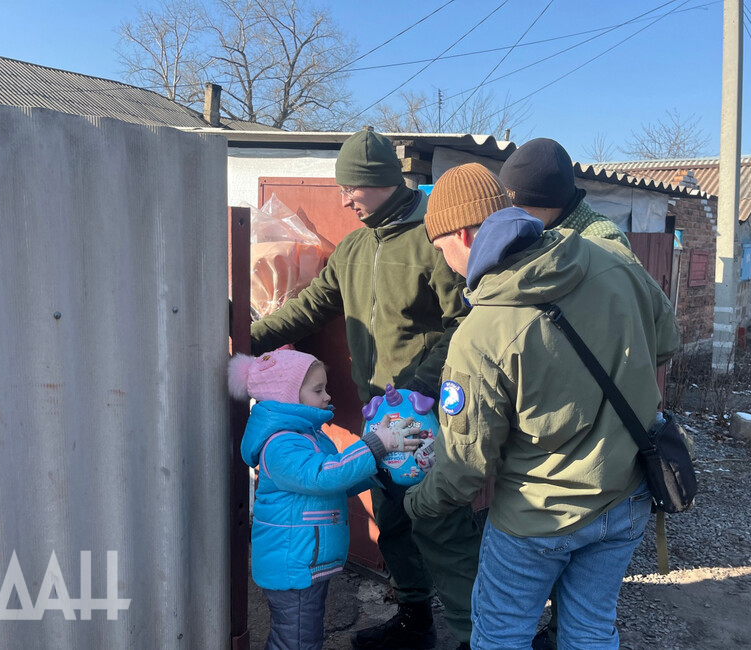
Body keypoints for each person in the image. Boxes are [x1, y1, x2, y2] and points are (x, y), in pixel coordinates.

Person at [405, 163, 680, 650]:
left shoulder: (482, 331)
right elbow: (665, 342)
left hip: (538, 515)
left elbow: (466, 467)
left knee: (501, 635)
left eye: (440, 245)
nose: (444, 260)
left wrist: (417, 502)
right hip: (628, 494)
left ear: (464, 234)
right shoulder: (611, 261)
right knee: (592, 629)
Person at [249, 128, 480, 650]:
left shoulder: (432, 240)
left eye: (352, 186)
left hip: (423, 414)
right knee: (392, 521)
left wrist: (421, 385)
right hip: (377, 418)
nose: (345, 198)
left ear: (380, 180)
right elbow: (310, 307)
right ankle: (415, 621)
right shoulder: (353, 248)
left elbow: (464, 323)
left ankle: (476, 636)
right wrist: (246, 336)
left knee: (440, 525)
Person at [501, 136, 633, 650]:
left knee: (529, 607)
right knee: (589, 612)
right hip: (577, 429)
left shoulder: (602, 241)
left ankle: (559, 635)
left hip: (587, 432)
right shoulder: (549, 226)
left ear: (543, 201)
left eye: (516, 201)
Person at [228, 347, 422, 650]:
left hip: (305, 561)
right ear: (287, 397)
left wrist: (379, 470)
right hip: (293, 565)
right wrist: (374, 447)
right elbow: (323, 476)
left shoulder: (309, 436)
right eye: (318, 389)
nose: (328, 396)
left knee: (303, 636)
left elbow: (334, 481)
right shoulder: (280, 445)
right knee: (296, 641)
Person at [499, 137, 632, 250]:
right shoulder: (532, 228)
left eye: (520, 206)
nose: (511, 212)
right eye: (508, 203)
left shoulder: (603, 241)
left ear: (549, 203)